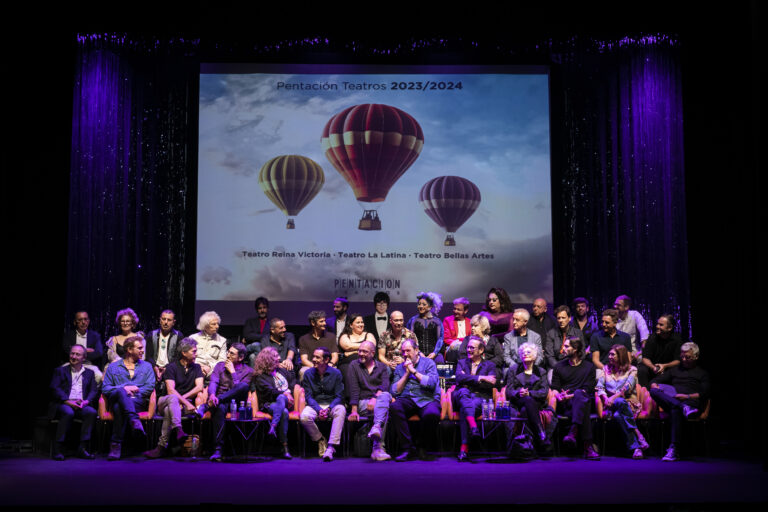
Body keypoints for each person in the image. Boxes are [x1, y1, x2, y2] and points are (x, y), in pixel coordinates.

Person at [144, 338, 204, 458]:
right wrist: (185, 402)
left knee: (170, 410)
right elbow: (171, 390)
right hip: (164, 401)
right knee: (172, 398)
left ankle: (161, 447)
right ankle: (178, 429)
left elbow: (199, 387)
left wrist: (184, 401)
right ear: (184, 353)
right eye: (194, 351)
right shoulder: (171, 367)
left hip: (179, 406)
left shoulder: (196, 367)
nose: (196, 354)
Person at [650, 342, 710, 462]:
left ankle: (674, 449)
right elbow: (656, 380)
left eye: (687, 357)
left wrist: (687, 396)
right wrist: (654, 384)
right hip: (675, 400)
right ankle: (682, 407)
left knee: (675, 409)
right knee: (654, 391)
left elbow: (705, 394)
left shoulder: (702, 373)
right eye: (682, 356)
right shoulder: (675, 370)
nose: (683, 359)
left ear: (696, 357)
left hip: (691, 404)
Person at [199, 343, 255, 462]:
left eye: (232, 353)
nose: (227, 355)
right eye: (228, 352)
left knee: (243, 386)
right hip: (220, 402)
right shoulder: (220, 366)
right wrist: (212, 395)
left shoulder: (249, 371)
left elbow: (241, 389)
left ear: (240, 357)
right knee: (220, 407)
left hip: (238, 404)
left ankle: (205, 406)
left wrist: (233, 372)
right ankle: (218, 449)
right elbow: (213, 382)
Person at [102, 336, 155, 460]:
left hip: (137, 400)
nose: (143, 351)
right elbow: (105, 388)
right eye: (140, 348)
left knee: (119, 407)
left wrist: (134, 391)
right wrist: (125, 388)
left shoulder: (147, 366)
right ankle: (135, 421)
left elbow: (150, 386)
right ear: (130, 350)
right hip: (116, 397)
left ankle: (115, 445)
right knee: (121, 392)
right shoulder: (113, 367)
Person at [389, 339, 441, 461]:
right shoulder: (399, 368)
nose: (405, 354)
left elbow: (432, 383)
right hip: (407, 399)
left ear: (416, 350)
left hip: (427, 398)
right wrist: (407, 374)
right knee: (395, 407)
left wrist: (414, 372)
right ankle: (408, 448)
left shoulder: (428, 363)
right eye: (403, 351)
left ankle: (422, 447)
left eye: (408, 351)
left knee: (432, 413)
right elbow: (394, 390)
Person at [596, 344, 649, 459]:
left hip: (629, 403)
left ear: (621, 356)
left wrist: (612, 398)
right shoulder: (605, 370)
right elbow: (599, 387)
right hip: (610, 405)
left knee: (618, 414)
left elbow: (627, 388)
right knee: (618, 403)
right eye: (609, 354)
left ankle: (636, 447)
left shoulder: (632, 370)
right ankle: (638, 434)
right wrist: (606, 399)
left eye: (612, 354)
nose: (609, 357)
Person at [552, 337, 600, 460]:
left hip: (581, 399)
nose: (563, 349)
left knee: (580, 394)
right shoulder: (559, 367)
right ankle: (588, 446)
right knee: (583, 405)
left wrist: (572, 395)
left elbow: (588, 389)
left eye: (567, 346)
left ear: (576, 349)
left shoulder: (589, 367)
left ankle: (573, 432)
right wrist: (559, 395)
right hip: (566, 404)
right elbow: (555, 388)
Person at [48, 345, 98, 460]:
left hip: (81, 403)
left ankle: (82, 448)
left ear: (84, 358)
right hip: (64, 403)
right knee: (68, 413)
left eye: (77, 354)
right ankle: (58, 448)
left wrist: (87, 401)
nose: (74, 356)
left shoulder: (89, 373)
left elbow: (93, 390)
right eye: (72, 353)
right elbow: (55, 388)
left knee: (91, 412)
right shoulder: (60, 371)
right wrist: (67, 401)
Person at [346, 341, 393, 461]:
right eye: (359, 350)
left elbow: (385, 385)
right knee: (384, 409)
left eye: (364, 351)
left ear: (372, 353)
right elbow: (354, 389)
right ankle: (378, 448)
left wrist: (374, 399)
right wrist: (354, 410)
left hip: (377, 401)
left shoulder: (382, 367)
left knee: (385, 396)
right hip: (363, 403)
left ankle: (376, 427)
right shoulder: (353, 365)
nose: (360, 353)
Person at [453, 337, 496, 461]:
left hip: (480, 397)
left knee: (465, 408)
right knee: (463, 391)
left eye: (472, 347)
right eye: (468, 347)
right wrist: (481, 378)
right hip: (463, 394)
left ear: (481, 350)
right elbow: (459, 379)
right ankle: (473, 426)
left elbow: (490, 384)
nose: (468, 350)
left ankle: (464, 447)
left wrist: (468, 379)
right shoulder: (462, 362)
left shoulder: (490, 365)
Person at [506, 342, 553, 451]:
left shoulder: (541, 371)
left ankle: (529, 446)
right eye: (522, 352)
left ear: (535, 355)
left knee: (525, 409)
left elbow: (544, 391)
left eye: (528, 352)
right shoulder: (513, 369)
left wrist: (530, 393)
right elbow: (509, 390)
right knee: (526, 400)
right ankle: (541, 433)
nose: (525, 354)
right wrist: (519, 393)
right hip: (518, 401)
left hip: (536, 402)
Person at [300, 347, 345, 461]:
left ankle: (331, 447)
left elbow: (339, 396)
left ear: (326, 360)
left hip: (332, 405)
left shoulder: (336, 373)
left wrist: (329, 409)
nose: (314, 359)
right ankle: (320, 439)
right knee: (304, 416)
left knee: (341, 410)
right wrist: (319, 409)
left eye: (317, 357)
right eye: (313, 356)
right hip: (315, 405)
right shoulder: (308, 374)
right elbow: (309, 396)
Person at [251, 347, 295, 460]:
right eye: (275, 356)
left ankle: (273, 426)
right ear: (267, 360)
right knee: (283, 411)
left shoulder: (281, 371)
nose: (279, 358)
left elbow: (293, 381)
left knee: (282, 398)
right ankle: (285, 447)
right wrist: (285, 394)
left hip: (287, 401)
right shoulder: (260, 376)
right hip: (270, 404)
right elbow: (270, 392)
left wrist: (290, 394)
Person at [638, 314, 683, 387]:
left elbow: (678, 360)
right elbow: (645, 358)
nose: (657, 326)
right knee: (642, 369)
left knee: (678, 369)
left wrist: (665, 366)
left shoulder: (677, 339)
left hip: (668, 368)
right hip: (653, 368)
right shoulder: (652, 337)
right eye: (657, 324)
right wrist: (653, 367)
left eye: (661, 325)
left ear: (670, 328)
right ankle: (645, 394)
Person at [297, 311, 339, 381]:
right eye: (321, 321)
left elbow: (335, 356)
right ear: (313, 323)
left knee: (335, 371)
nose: (325, 323)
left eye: (324, 321)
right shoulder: (303, 339)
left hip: (327, 366)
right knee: (303, 371)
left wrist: (328, 365)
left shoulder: (331, 336)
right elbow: (304, 359)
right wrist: (316, 367)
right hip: (311, 366)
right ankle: (305, 392)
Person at [145, 309, 183, 382]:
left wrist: (167, 368)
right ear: (160, 320)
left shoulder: (178, 336)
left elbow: (178, 357)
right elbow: (148, 356)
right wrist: (155, 367)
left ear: (173, 322)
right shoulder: (151, 335)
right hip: (153, 367)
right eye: (163, 319)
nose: (166, 322)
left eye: (169, 320)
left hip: (171, 368)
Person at [406, 292, 444, 361]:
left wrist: (434, 353)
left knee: (439, 360)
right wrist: (419, 352)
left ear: (430, 307)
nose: (420, 306)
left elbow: (440, 339)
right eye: (419, 304)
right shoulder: (413, 320)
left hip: (433, 355)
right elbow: (410, 338)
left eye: (424, 304)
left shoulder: (437, 321)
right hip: (417, 354)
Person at [544, 305, 586, 370]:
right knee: (550, 377)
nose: (560, 320)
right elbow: (549, 356)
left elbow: (582, 353)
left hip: (574, 365)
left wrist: (574, 365)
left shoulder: (577, 333)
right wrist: (559, 368)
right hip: (556, 366)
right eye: (558, 318)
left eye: (563, 318)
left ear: (569, 318)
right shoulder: (551, 333)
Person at [338, 313, 376, 381]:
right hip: (348, 364)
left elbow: (371, 346)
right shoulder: (345, 335)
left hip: (366, 363)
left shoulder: (368, 334)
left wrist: (352, 352)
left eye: (362, 322)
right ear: (351, 325)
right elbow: (348, 346)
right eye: (358, 322)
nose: (361, 325)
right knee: (347, 372)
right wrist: (364, 347)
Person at [189, 311, 227, 379]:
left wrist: (209, 368)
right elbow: (189, 356)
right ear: (205, 325)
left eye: (218, 324)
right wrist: (199, 367)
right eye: (214, 324)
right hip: (194, 368)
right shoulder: (193, 338)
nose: (217, 326)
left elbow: (222, 360)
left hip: (212, 371)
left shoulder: (222, 340)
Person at [614, 295, 650, 359]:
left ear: (626, 307)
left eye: (618, 305)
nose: (615, 306)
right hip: (615, 353)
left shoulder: (634, 315)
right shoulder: (612, 318)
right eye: (615, 304)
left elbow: (644, 333)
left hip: (633, 352)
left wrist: (642, 351)